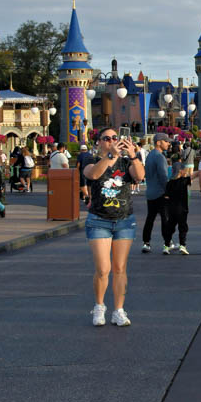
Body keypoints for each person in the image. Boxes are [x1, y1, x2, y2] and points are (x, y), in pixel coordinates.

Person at [84, 128, 145, 326]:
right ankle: (99, 306)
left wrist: (133, 155)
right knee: (103, 268)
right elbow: (93, 175)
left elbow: (140, 176)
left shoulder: (126, 162)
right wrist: (111, 156)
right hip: (99, 220)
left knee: (120, 268)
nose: (112, 141)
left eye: (114, 138)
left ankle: (119, 309)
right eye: (107, 138)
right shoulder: (91, 160)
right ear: (99, 142)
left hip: (124, 220)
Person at [142, 133, 171, 252]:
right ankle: (167, 243)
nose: (168, 143)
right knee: (165, 218)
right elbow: (163, 175)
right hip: (160, 192)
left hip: (150, 192)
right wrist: (168, 190)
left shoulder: (150, 155)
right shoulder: (160, 157)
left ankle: (146, 242)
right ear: (159, 142)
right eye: (166, 141)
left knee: (150, 218)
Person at [162, 158, 196, 255]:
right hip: (182, 209)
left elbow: (166, 196)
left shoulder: (169, 183)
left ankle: (166, 246)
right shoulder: (184, 181)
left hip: (171, 210)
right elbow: (195, 175)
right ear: (181, 171)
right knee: (183, 227)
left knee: (170, 228)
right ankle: (182, 245)